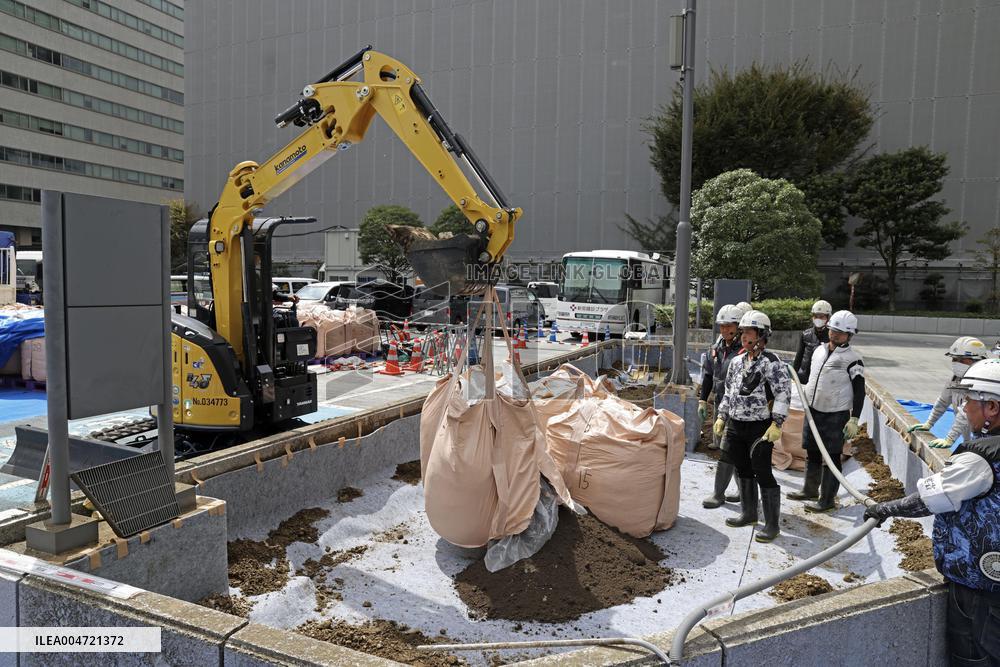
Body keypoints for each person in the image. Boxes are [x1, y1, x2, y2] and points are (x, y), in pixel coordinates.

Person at [864, 357, 1000, 666]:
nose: (963, 408)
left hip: (979, 592)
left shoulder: (980, 460)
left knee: (974, 657)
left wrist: (884, 508)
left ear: (992, 407)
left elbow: (929, 499)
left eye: (969, 401)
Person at [714, 310, 791, 542]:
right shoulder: (737, 362)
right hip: (737, 425)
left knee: (763, 471)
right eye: (743, 331)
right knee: (742, 468)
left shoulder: (772, 363)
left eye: (749, 332)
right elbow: (729, 391)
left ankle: (772, 525)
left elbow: (783, 394)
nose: (745, 336)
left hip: (760, 427)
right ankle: (748, 514)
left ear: (762, 335)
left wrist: (777, 422)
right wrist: (721, 416)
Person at [787, 310, 865, 513]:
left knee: (831, 456)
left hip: (835, 414)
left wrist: (855, 417)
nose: (835, 335)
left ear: (849, 335)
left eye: (840, 332)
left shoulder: (853, 359)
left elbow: (859, 391)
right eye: (833, 330)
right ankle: (809, 490)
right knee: (811, 452)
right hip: (813, 410)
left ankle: (827, 499)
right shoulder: (819, 351)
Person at [908, 336, 988, 449]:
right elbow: (942, 401)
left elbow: (965, 413)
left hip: (986, 437)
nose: (956, 363)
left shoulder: (983, 384)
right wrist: (929, 423)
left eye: (962, 360)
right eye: (954, 359)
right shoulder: (955, 379)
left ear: (977, 360)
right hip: (970, 436)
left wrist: (950, 438)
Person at [700, 305, 744, 508]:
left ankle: (719, 494)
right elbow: (709, 374)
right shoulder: (717, 348)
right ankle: (744, 491)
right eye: (722, 327)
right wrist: (703, 399)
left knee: (729, 449)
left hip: (738, 407)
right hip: (720, 402)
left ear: (738, 326)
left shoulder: (744, 350)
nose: (725, 331)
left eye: (730, 327)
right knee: (731, 449)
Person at [792, 300, 832, 384]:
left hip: (820, 380)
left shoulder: (831, 337)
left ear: (828, 318)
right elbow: (798, 357)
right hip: (803, 377)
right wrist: (794, 375)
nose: (818, 319)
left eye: (821, 317)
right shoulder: (806, 334)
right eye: (816, 316)